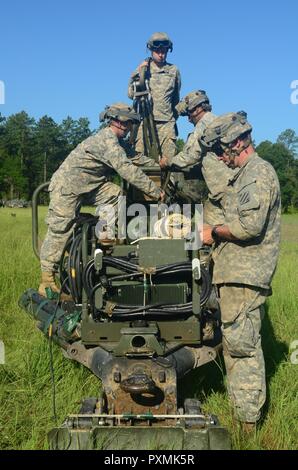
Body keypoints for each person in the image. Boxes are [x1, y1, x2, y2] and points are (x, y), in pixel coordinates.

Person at [200, 112, 281, 432]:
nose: (221, 157)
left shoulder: (257, 174)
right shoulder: (245, 174)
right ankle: (242, 412)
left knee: (242, 347)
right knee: (235, 344)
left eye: (222, 150)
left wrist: (213, 233)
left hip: (245, 274)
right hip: (235, 273)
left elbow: (250, 226)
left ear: (237, 144)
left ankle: (247, 423)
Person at [39, 103, 164, 296]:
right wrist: (154, 190)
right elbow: (127, 170)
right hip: (68, 187)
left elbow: (135, 159)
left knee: (114, 194)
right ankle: (47, 280)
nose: (130, 128)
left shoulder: (118, 143)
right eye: (130, 124)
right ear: (121, 123)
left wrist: (159, 165)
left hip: (91, 185)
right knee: (60, 229)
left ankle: (104, 235)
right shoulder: (108, 141)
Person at [160, 90, 233, 221]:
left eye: (189, 113)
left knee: (209, 228)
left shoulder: (203, 126)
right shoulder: (217, 121)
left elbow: (190, 156)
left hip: (221, 188)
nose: (188, 119)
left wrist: (168, 162)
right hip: (229, 185)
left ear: (199, 109)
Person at [128, 32, 181, 161]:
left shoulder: (173, 70)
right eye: (158, 51)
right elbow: (130, 94)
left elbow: (175, 98)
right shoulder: (142, 69)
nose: (161, 54)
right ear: (151, 50)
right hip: (144, 121)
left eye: (164, 51)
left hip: (166, 123)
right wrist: (137, 73)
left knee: (168, 163)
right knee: (141, 160)